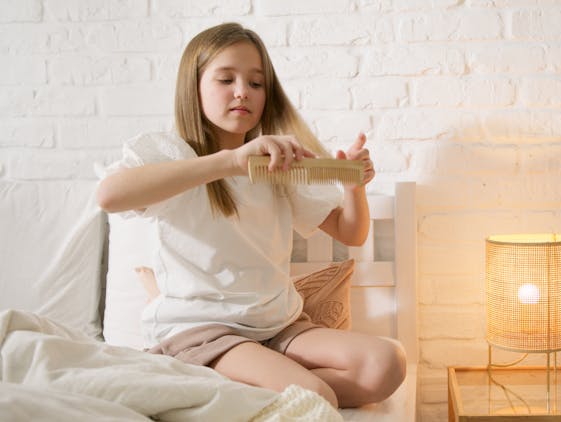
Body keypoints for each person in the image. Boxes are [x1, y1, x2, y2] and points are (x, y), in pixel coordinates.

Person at [96, 22, 406, 409]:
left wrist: (354, 186)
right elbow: (109, 196)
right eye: (226, 79)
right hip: (204, 332)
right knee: (313, 396)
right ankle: (241, 382)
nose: (242, 91)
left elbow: (352, 233)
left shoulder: (279, 165)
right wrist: (230, 162)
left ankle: (223, 392)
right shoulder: (175, 156)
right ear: (194, 88)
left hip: (277, 326)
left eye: (256, 84)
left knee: (385, 363)